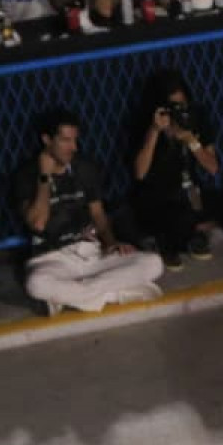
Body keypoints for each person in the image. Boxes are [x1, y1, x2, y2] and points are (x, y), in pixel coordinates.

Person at [12, 106, 164, 316]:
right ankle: (116, 293)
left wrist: (111, 243)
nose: (73, 147)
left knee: (154, 263)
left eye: (75, 140)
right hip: (52, 259)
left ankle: (73, 297)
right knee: (36, 284)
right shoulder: (27, 174)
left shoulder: (85, 167)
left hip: (91, 253)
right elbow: (38, 223)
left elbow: (98, 214)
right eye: (66, 141)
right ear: (47, 140)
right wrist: (44, 177)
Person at [130, 68, 223, 269]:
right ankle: (181, 236)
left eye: (183, 106)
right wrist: (155, 131)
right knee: (178, 220)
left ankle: (197, 229)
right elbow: (140, 173)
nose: (179, 112)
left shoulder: (197, 116)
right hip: (160, 199)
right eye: (173, 107)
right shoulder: (145, 123)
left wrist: (191, 140)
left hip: (193, 194)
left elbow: (212, 167)